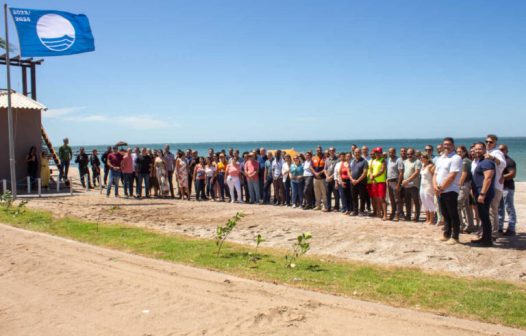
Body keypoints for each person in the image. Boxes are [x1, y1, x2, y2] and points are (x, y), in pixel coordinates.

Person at [434, 137, 463, 244]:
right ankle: (446, 234)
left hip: (450, 190)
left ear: (453, 145)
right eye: (445, 144)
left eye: (449, 144)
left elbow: (452, 175)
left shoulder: (456, 158)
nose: (446, 146)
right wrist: (435, 186)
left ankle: (455, 237)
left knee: (453, 214)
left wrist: (441, 188)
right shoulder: (441, 158)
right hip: (440, 190)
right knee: (445, 214)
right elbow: (435, 174)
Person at [470, 142, 496, 247]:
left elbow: (488, 178)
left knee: (485, 216)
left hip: (484, 193)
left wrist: (482, 194)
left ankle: (487, 240)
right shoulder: (480, 161)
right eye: (476, 149)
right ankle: (485, 238)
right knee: (482, 216)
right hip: (479, 193)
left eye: (480, 149)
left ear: (485, 150)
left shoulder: (486, 162)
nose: (477, 151)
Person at [485, 134, 507, 236]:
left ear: (495, 143)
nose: (488, 143)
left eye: (491, 142)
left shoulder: (497, 152)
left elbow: (502, 164)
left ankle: (494, 233)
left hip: (495, 186)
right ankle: (487, 231)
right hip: (487, 185)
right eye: (487, 141)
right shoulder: (486, 152)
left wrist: (493, 158)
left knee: (492, 210)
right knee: (486, 210)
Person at [498, 144, 517, 236]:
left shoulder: (509, 161)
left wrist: (501, 177)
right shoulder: (499, 161)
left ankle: (512, 228)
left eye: (502, 149)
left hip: (507, 187)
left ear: (506, 150)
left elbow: (512, 174)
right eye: (499, 150)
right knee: (500, 208)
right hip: (500, 187)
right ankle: (499, 227)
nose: (500, 151)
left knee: (509, 207)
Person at [456, 146, 475, 233]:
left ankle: (461, 225)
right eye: (457, 152)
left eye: (460, 151)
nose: (459, 153)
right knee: (466, 206)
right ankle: (470, 226)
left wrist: (459, 185)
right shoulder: (464, 160)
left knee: (457, 206)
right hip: (466, 185)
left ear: (464, 152)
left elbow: (464, 174)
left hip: (464, 185)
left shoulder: (465, 161)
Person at [402, 148, 422, 222]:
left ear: (414, 154)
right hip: (406, 185)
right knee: (407, 201)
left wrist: (408, 180)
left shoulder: (417, 162)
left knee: (416, 201)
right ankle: (408, 216)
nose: (409, 155)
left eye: (411, 154)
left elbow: (416, 173)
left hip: (414, 185)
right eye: (408, 154)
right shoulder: (405, 161)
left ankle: (416, 217)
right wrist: (403, 181)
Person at [369, 147, 387, 220]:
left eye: (378, 152)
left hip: (381, 182)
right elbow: (370, 169)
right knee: (376, 198)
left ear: (381, 153)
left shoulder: (383, 160)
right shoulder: (373, 161)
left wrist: (374, 175)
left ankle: (385, 215)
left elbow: (382, 170)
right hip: (374, 182)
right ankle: (378, 213)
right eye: (376, 152)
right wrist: (371, 175)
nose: (377, 154)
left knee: (382, 198)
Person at [386, 147, 404, 221]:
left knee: (397, 199)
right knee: (392, 199)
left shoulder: (398, 160)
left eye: (392, 152)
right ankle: (393, 213)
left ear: (395, 152)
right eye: (389, 152)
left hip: (396, 181)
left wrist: (398, 184)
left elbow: (401, 173)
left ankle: (398, 214)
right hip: (389, 181)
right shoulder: (389, 160)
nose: (391, 153)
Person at [350, 148, 368, 216]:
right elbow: (350, 171)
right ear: (354, 153)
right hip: (353, 182)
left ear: (360, 153)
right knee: (354, 197)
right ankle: (355, 211)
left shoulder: (364, 161)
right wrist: (352, 180)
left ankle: (361, 211)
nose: (356, 153)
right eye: (355, 152)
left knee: (362, 197)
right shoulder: (353, 161)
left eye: (358, 152)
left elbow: (365, 173)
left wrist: (357, 180)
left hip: (361, 183)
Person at [419, 154, 436, 225]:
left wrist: (434, 186)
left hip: (428, 186)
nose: (421, 159)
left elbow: (434, 176)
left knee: (430, 202)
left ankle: (432, 220)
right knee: (424, 202)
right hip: (422, 186)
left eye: (423, 157)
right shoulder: (423, 165)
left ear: (427, 158)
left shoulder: (431, 166)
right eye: (421, 157)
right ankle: (427, 219)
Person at [324, 147, 340, 212]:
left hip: (334, 179)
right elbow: (325, 169)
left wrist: (331, 177)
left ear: (335, 151)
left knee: (336, 194)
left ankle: (336, 207)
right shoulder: (327, 159)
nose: (331, 152)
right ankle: (328, 207)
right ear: (329, 152)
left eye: (333, 150)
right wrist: (327, 176)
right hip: (327, 179)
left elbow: (337, 171)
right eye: (330, 151)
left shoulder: (338, 160)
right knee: (328, 194)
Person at [312, 146, 327, 210]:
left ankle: (325, 206)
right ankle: (318, 205)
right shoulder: (313, 157)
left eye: (319, 150)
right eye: (317, 150)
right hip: (315, 178)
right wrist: (315, 173)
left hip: (323, 178)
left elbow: (325, 168)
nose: (318, 151)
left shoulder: (325, 158)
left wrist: (320, 173)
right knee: (317, 192)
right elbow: (311, 167)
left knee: (324, 192)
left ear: (321, 150)